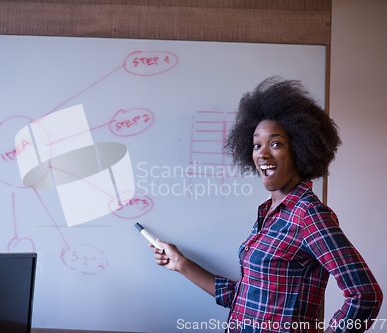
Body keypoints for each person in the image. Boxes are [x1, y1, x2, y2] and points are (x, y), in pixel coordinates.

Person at [150, 77, 383, 333]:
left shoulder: (308, 214)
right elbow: (244, 298)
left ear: (301, 148)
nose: (262, 153)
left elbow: (365, 295)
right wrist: (180, 264)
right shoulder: (267, 213)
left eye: (276, 144)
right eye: (257, 145)